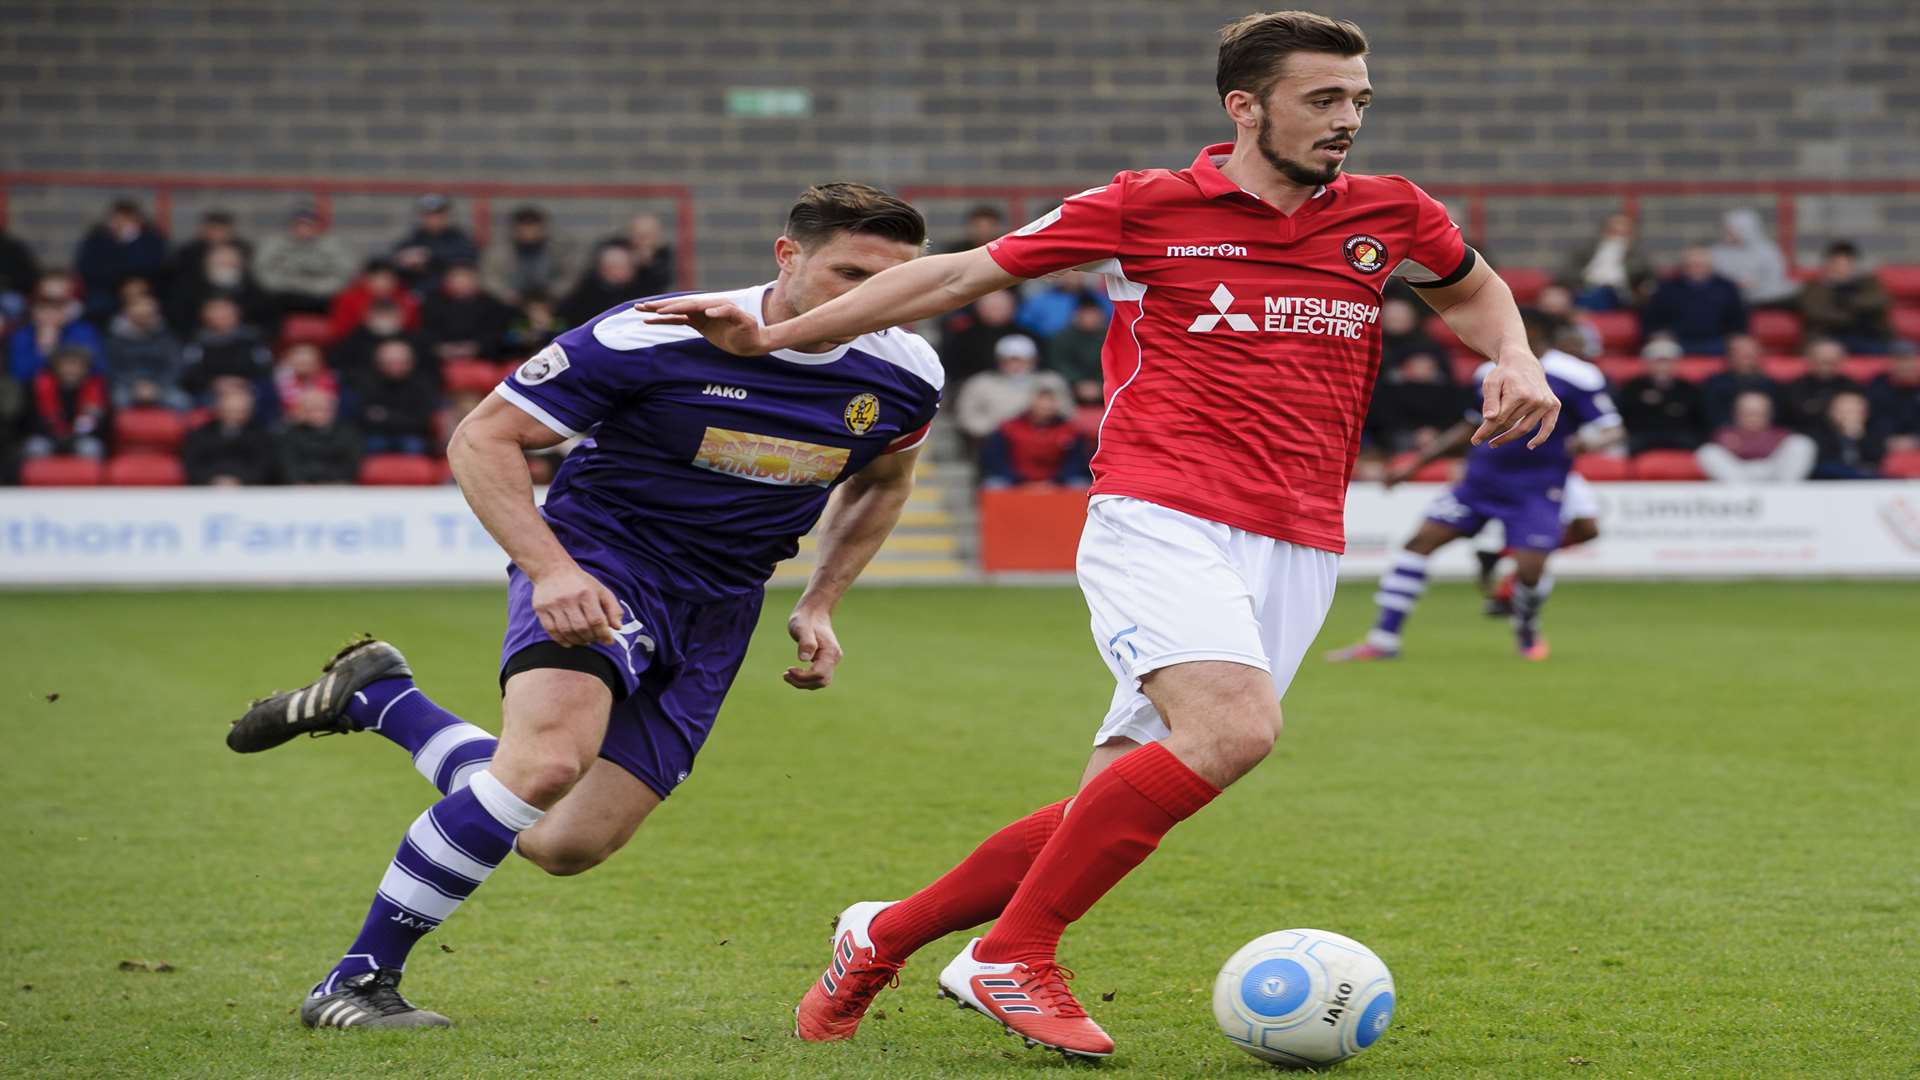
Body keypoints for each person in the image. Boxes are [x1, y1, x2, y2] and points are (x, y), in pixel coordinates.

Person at [640, 12, 1558, 1059]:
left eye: (1359, 101)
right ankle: (1009, 956)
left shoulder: (1393, 214)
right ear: (1245, 107)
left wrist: (1516, 355)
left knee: (1116, 795)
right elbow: (954, 276)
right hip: (1161, 509)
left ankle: (882, 935)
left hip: (1301, 533)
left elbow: (1474, 289)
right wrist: (776, 336)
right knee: (1234, 732)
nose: (1346, 120)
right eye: (1322, 99)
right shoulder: (1147, 204)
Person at [221, 183, 944, 1030]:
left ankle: (386, 701)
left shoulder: (905, 372)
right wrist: (550, 571)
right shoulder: (654, 332)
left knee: (563, 843)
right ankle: (353, 982)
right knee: (545, 764)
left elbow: (885, 484)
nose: (870, 298)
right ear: (787, 257)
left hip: (720, 605)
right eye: (849, 272)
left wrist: (822, 599)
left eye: (893, 281)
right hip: (603, 563)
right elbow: (483, 436)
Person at [1329, 310, 1616, 663]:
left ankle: (1526, 628)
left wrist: (1588, 442)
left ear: (1535, 332)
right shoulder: (1488, 371)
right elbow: (1468, 428)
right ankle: (1383, 639)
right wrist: (1414, 466)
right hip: (1481, 481)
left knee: (1530, 571)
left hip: (1539, 485)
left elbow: (1611, 427)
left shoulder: (1576, 374)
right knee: (1419, 543)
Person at [954, 333, 1070, 443]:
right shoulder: (980, 383)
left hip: (1045, 441)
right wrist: (1000, 431)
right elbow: (967, 417)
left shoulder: (1051, 381)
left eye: (1022, 360)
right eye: (1009, 360)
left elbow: (1067, 412)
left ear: (1034, 360)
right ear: (999, 361)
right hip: (996, 443)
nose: (1015, 365)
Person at [73, 199, 168, 324]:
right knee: (98, 306)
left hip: (144, 289)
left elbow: (154, 267)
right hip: (106, 290)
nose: (120, 223)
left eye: (126, 219)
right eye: (116, 219)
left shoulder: (151, 240)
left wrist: (130, 241)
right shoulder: (96, 240)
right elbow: (87, 268)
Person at [1640, 246, 1747, 355]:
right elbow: (1652, 318)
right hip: (1676, 341)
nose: (1696, 268)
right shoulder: (1667, 288)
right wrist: (1659, 334)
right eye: (1691, 265)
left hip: (1717, 341)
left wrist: (1735, 336)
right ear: (1683, 266)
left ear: (1710, 266)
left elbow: (1738, 319)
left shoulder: (1726, 287)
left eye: (1701, 265)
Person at [255, 204, 358, 316]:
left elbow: (345, 274)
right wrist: (291, 284)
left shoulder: (333, 244)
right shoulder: (274, 243)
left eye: (308, 225)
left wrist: (316, 286)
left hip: (323, 295)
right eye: (299, 225)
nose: (303, 229)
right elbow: (261, 271)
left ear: (317, 227)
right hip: (283, 294)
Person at [978, 386, 1092, 488]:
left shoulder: (1071, 430)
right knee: (994, 485)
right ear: (1032, 404)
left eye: (1050, 403)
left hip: (1058, 481)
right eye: (1042, 403)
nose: (1046, 407)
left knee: (1079, 484)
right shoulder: (1009, 428)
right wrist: (1019, 479)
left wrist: (1056, 480)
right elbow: (995, 459)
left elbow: (1077, 460)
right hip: (1015, 480)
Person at [1695, 391, 1817, 483]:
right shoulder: (1725, 434)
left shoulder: (1780, 434)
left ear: (1769, 414)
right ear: (1737, 413)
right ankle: (1745, 496)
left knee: (1801, 444)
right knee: (1707, 451)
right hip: (1738, 475)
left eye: (1758, 413)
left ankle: (1784, 495)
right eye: (1748, 413)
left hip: (1774, 474)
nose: (1753, 417)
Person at [1796, 241, 1893, 354]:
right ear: (1827, 264)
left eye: (1846, 263)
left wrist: (1846, 301)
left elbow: (1880, 301)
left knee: (1904, 351)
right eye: (1836, 263)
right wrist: (1857, 314)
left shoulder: (1869, 283)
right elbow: (1816, 312)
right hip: (1829, 337)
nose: (1841, 267)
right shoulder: (1815, 286)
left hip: (1871, 336)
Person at [352, 339, 440, 455]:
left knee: (414, 446)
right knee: (371, 445)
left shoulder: (422, 385)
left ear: (411, 362)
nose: (395, 367)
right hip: (376, 435)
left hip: (413, 436)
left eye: (400, 362)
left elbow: (422, 420)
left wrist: (386, 416)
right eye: (389, 362)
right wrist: (401, 418)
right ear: (379, 363)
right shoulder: (367, 383)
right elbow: (363, 417)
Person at [22, 345, 109, 461]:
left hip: (81, 438)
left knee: (92, 448)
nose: (71, 370)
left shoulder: (96, 389)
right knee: (35, 447)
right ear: (56, 366)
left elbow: (104, 425)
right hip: (47, 436)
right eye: (66, 364)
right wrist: (55, 432)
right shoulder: (38, 386)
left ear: (86, 368)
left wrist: (94, 417)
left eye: (76, 365)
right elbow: (30, 421)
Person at [182, 377, 276, 485]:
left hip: (250, 493)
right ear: (219, 407)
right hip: (206, 492)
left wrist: (239, 481)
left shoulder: (261, 436)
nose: (235, 413)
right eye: (231, 409)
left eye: (240, 411)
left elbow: (264, 467)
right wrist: (214, 481)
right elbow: (193, 465)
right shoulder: (201, 434)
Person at [1366, 350, 1464, 452]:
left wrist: (1434, 431)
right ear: (1405, 367)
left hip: (1441, 435)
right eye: (1418, 364)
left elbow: (1455, 417)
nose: (1423, 368)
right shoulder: (1388, 390)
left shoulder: (1449, 391)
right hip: (1399, 436)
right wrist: (1415, 435)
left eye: (1428, 365)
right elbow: (1383, 420)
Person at [1619, 340, 1707, 452]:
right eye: (1657, 362)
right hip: (1642, 437)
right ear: (1647, 364)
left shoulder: (1689, 390)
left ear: (1676, 364)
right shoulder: (1632, 388)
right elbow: (1623, 419)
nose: (1662, 367)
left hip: (1681, 438)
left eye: (1667, 362)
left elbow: (1700, 423)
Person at [104, 292, 188, 409]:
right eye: (138, 307)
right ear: (127, 311)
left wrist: (157, 386)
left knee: (181, 402)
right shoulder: (115, 339)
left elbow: (175, 366)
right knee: (118, 401)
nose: (143, 312)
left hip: (161, 386)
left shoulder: (167, 337)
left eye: (148, 309)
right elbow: (112, 368)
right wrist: (135, 385)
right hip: (127, 386)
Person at [180, 295, 273, 401]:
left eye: (224, 309)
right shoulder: (196, 340)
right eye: (214, 309)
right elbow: (190, 372)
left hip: (248, 390)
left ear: (237, 311)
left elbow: (265, 368)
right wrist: (214, 383)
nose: (220, 314)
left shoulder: (253, 338)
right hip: (208, 392)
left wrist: (242, 383)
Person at [419, 262, 513, 365]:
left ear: (476, 280)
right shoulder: (433, 302)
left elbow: (497, 333)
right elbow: (426, 331)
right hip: (441, 358)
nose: (461, 282)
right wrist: (441, 348)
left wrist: (476, 347)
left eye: (466, 277)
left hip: (484, 357)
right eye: (456, 277)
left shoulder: (491, 303)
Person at [482, 205, 580, 305]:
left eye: (533, 227)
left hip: (552, 300)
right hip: (509, 303)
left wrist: (552, 295)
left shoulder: (559, 248)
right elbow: (490, 278)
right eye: (524, 227)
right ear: (515, 229)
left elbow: (570, 276)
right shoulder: (499, 250)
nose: (529, 233)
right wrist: (509, 296)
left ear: (542, 228)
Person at [1557, 212, 1653, 311]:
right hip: (1585, 292)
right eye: (1614, 232)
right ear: (1604, 232)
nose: (1618, 238)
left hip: (1620, 299)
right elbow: (1565, 274)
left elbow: (1649, 279)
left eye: (1624, 234)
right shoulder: (1585, 252)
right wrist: (1586, 277)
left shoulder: (1638, 258)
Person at [9, 285, 104, 382]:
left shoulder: (83, 331)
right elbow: (20, 374)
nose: (49, 314)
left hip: (80, 389)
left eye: (56, 308)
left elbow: (98, 368)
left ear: (65, 312)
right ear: (33, 312)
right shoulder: (22, 335)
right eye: (43, 308)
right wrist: (44, 349)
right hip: (34, 391)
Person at [1710, 208, 1795, 308]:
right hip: (1728, 298)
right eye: (1725, 228)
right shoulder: (1716, 252)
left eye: (1730, 229)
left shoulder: (1768, 250)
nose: (1726, 232)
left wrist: (1757, 284)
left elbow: (1776, 277)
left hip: (1764, 298)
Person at [276, 387, 362, 485]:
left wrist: (333, 483)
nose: (318, 413)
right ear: (303, 411)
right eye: (313, 409)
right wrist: (301, 483)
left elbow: (352, 465)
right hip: (301, 490)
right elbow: (288, 466)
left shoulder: (348, 434)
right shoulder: (290, 435)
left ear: (333, 410)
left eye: (323, 408)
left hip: (339, 488)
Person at [390, 194, 478, 288]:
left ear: (446, 215)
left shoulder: (459, 239)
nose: (434, 219)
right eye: (429, 215)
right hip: (419, 293)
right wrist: (405, 261)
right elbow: (395, 259)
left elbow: (468, 258)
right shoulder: (413, 239)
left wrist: (428, 256)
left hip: (451, 294)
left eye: (438, 214)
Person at [938, 287, 1022, 386]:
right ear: (979, 308)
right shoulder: (963, 338)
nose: (996, 312)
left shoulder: (1025, 335)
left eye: (1000, 308)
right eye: (992, 308)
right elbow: (953, 370)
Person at [327, 259, 421, 343]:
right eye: (378, 278)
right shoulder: (348, 299)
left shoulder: (406, 298)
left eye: (388, 278)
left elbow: (414, 327)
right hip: (359, 342)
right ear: (366, 278)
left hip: (400, 343)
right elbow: (341, 330)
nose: (383, 283)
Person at [1781, 337, 1863, 433]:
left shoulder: (1852, 387)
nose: (1827, 367)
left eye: (1832, 362)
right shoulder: (1795, 387)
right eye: (1823, 361)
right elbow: (1791, 417)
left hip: (1842, 435)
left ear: (1841, 361)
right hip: (1805, 434)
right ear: (1810, 360)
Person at [1701, 333, 1778, 430]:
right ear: (1729, 355)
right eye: (1741, 352)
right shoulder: (1714, 384)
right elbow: (1711, 417)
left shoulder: (1771, 385)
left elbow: (1778, 419)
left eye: (1751, 351)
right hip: (1726, 436)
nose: (1747, 355)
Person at [1015, 269, 1111, 341]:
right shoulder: (1040, 300)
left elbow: (1111, 323)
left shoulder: (1099, 299)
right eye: (1068, 271)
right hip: (1048, 347)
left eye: (1077, 270)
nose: (1073, 275)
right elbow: (1024, 325)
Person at [558, 243, 638, 327]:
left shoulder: (640, 290)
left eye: (630, 266)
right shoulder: (584, 295)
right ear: (604, 269)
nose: (629, 271)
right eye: (621, 267)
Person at [1810, 390, 1885, 480]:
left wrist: (1857, 436)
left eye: (1854, 410)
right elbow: (1823, 467)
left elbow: (1876, 462)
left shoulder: (1874, 432)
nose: (1849, 415)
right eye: (1844, 410)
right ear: (1832, 412)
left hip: (1867, 486)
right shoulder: (1817, 434)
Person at [601, 212, 676, 296]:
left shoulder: (664, 255)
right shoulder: (614, 248)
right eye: (640, 234)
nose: (644, 240)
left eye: (648, 234)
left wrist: (648, 263)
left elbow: (665, 282)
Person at [1866, 343, 1920, 450]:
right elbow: (1872, 417)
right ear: (1891, 363)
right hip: (1884, 444)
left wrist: (1916, 440)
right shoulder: (1878, 385)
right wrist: (1886, 439)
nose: (1905, 365)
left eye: (1909, 360)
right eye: (1899, 360)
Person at [272, 341, 338, 415]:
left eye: (307, 360)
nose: (303, 360)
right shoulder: (277, 384)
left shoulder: (330, 382)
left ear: (318, 362)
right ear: (288, 360)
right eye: (299, 358)